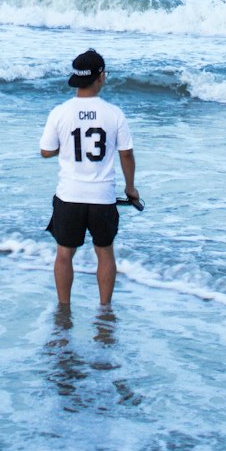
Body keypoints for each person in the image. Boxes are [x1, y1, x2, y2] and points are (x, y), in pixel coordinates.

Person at [39, 48, 139, 306]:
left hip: (69, 195)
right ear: (100, 77)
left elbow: (46, 151)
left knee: (64, 254)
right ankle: (104, 309)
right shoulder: (114, 113)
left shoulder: (60, 112)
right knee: (104, 252)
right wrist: (131, 188)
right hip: (102, 197)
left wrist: (67, 146)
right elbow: (126, 155)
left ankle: (64, 308)